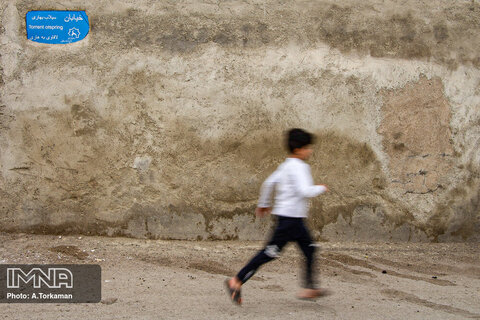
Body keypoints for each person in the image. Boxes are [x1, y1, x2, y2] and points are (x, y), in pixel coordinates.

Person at [225, 128, 330, 305]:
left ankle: (310, 288)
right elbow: (304, 191)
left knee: (310, 248)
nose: (310, 151)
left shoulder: (286, 165)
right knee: (269, 253)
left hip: (293, 220)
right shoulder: (300, 167)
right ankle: (236, 280)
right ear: (298, 150)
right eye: (307, 147)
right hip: (289, 221)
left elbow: (268, 183)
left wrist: (264, 203)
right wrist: (321, 188)